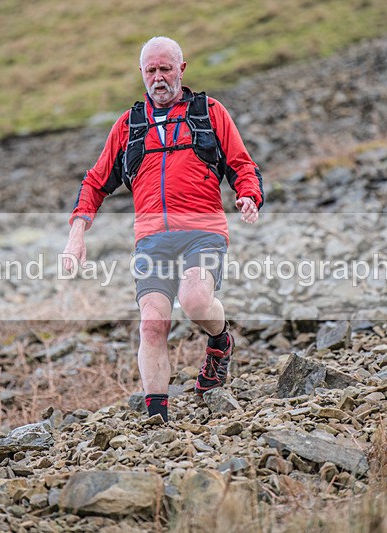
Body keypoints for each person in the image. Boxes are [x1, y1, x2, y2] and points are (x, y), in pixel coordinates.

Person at [62, 36, 263, 422]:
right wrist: (77, 232)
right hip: (152, 239)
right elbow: (94, 182)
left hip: (203, 231)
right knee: (152, 324)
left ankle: (220, 343)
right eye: (151, 71)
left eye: (165, 69)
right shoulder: (129, 125)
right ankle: (158, 421)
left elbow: (242, 164)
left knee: (194, 300)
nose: (158, 78)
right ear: (142, 74)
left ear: (181, 70)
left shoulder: (209, 112)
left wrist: (249, 195)